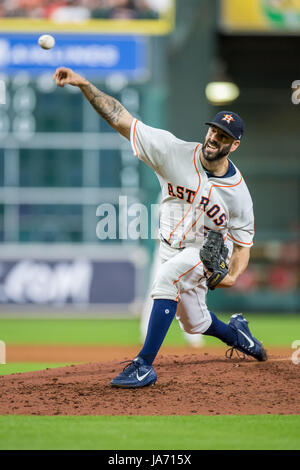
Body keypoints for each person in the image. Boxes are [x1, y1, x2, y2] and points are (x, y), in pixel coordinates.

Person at [53, 67, 267, 389]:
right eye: (213, 131)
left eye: (223, 137)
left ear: (233, 145)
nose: (214, 138)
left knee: (166, 280)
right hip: (168, 246)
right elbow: (121, 118)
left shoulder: (238, 195)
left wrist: (232, 276)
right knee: (196, 323)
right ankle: (239, 334)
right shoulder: (172, 151)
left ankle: (143, 365)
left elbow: (242, 246)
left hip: (204, 251)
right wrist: (84, 84)